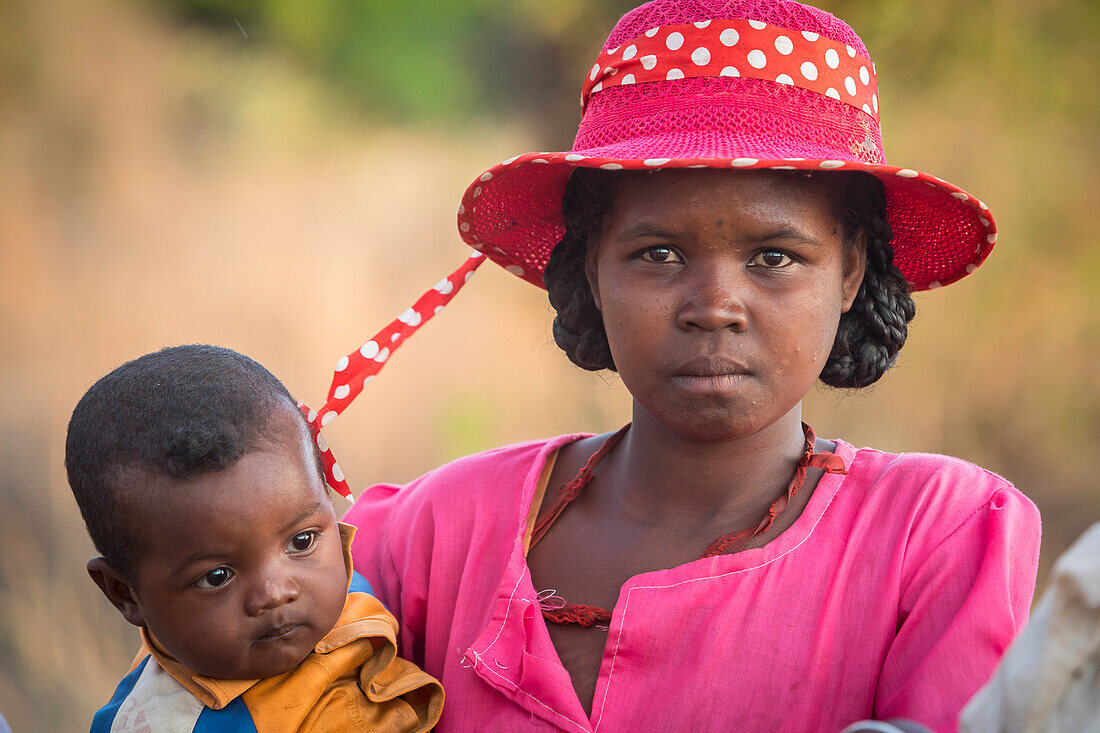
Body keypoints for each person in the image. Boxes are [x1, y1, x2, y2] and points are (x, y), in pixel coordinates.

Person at [339, 1, 1042, 730]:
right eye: (659, 254)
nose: (714, 305)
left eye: (774, 257)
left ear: (851, 273)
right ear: (592, 266)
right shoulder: (431, 534)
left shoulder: (934, 537)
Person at [66, 345, 443, 732]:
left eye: (301, 542)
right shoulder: (163, 724)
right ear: (125, 593)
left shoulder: (359, 584)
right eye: (217, 577)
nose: (276, 592)